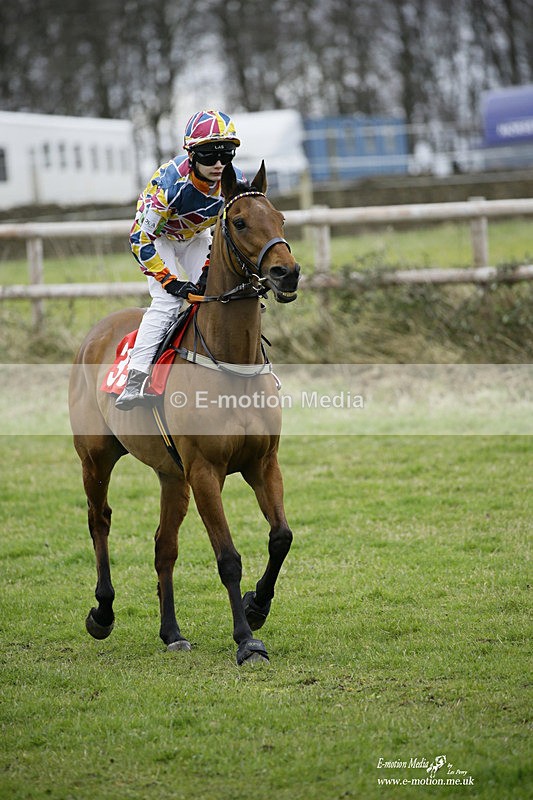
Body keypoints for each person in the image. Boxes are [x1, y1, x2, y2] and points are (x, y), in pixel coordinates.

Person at [115, 109, 243, 410]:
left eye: (227, 154)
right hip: (159, 238)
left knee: (223, 292)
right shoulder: (170, 186)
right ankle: (136, 376)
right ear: (191, 155)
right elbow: (139, 238)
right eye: (209, 155)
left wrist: (212, 266)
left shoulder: (234, 181)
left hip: (196, 237)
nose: (219, 164)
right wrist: (171, 282)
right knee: (168, 302)